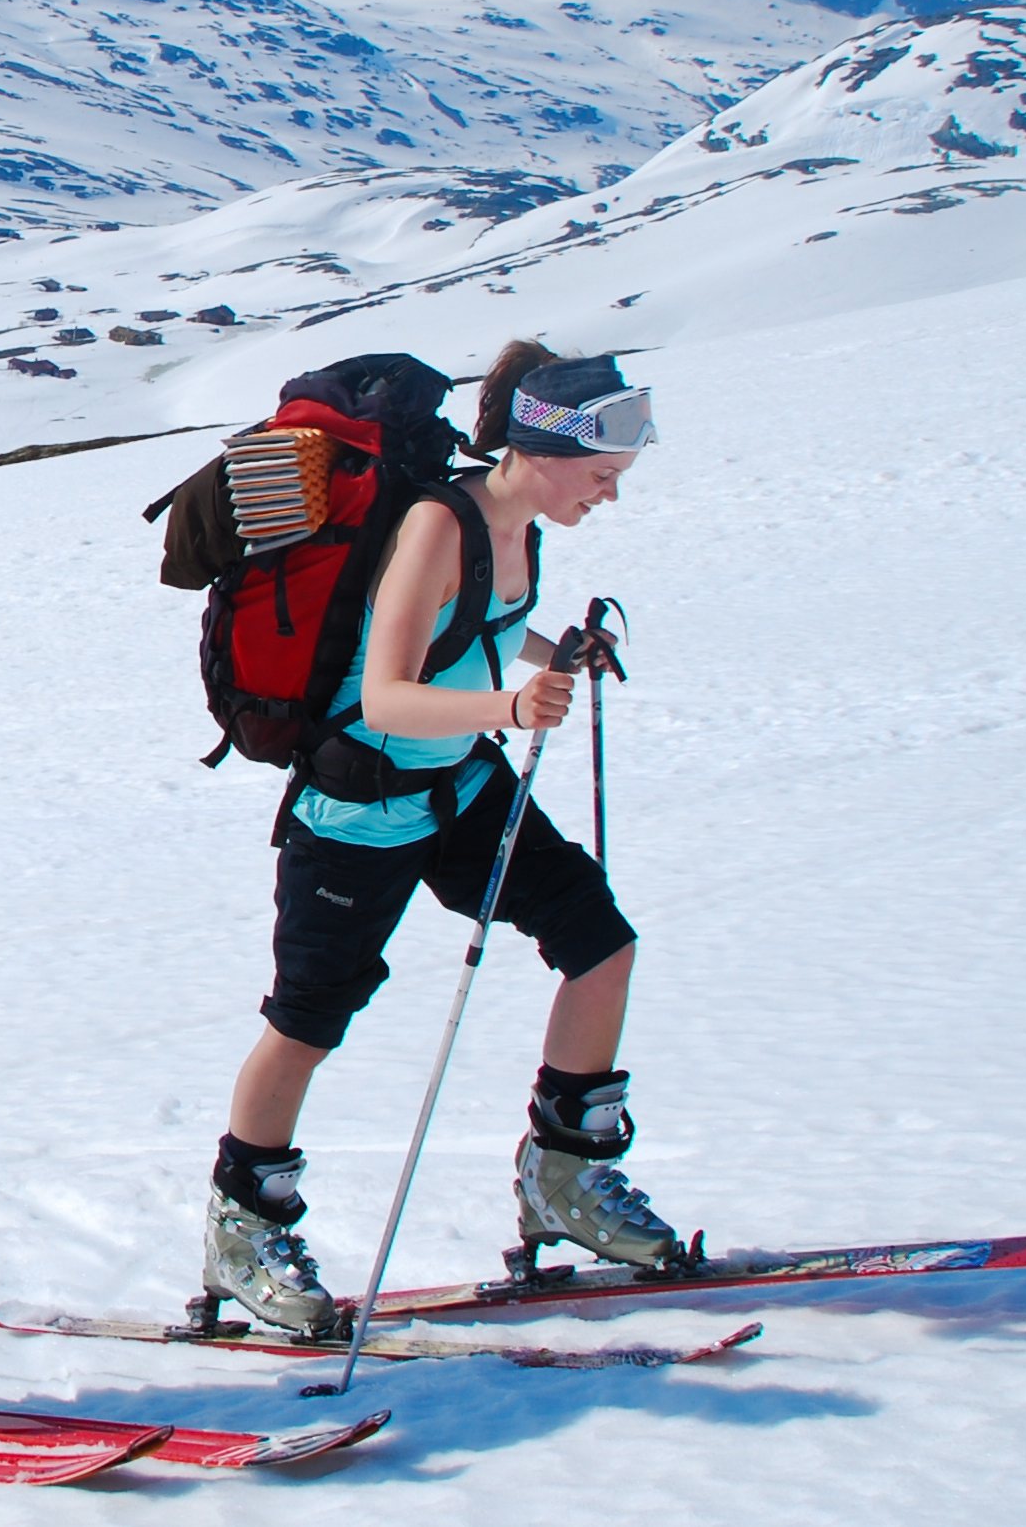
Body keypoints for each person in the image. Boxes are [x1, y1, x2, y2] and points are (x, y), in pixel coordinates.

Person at [200, 343, 672, 1339]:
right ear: (543, 446)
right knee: (305, 1022)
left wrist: (551, 651)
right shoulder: (434, 524)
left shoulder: (516, 529)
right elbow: (383, 690)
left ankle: (566, 1179)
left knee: (598, 940)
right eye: (600, 476)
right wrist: (512, 699)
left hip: (455, 781)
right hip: (359, 807)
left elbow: (478, 626)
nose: (607, 498)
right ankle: (241, 1233)